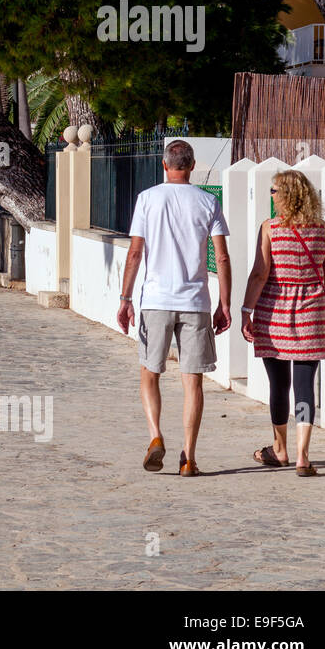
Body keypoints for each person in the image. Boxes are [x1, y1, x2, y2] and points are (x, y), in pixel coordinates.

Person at [117, 140, 231, 478]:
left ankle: (155, 436)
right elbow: (222, 257)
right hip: (195, 302)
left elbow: (135, 253)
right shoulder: (208, 201)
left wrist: (125, 300)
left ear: (165, 166)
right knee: (192, 381)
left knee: (149, 373)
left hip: (155, 301)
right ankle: (189, 458)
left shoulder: (148, 199)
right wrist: (224, 302)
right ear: (192, 166)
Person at [241, 170, 325, 477]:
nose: (270, 195)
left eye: (273, 191)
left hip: (274, 316)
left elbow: (260, 274)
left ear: (285, 196)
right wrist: (322, 302)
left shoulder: (270, 229)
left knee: (279, 384)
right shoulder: (321, 229)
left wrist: (246, 310)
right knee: (305, 385)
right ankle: (302, 455)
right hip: (312, 316)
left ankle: (279, 448)